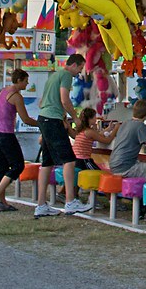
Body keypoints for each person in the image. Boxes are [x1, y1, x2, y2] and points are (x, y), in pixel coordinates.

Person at [34, 53, 92, 218]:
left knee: (47, 162)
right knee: (69, 160)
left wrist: (62, 116)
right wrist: (74, 117)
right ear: (74, 65)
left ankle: (41, 204)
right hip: (52, 120)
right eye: (80, 68)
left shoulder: (54, 75)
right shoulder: (66, 75)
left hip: (44, 118)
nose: (79, 73)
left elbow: (42, 101)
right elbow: (65, 99)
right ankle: (70, 201)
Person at [0, 68, 39, 212]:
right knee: (17, 165)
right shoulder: (16, 96)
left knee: (2, 167)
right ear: (19, 80)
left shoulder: (3, 91)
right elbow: (26, 119)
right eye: (25, 81)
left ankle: (2, 202)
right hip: (5, 134)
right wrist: (41, 124)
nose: (27, 84)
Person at [109, 99, 146, 178]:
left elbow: (132, 135)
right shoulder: (140, 126)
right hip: (125, 168)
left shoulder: (125, 123)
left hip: (114, 165)